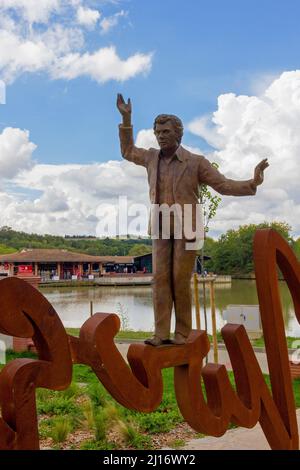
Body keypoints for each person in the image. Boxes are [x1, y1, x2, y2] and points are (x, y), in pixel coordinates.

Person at [117, 94, 269, 346]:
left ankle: (182, 333)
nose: (160, 136)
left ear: (178, 134)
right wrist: (126, 119)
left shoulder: (196, 162)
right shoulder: (151, 157)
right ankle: (161, 333)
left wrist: (252, 183)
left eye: (165, 131)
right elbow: (127, 151)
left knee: (180, 280)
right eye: (157, 132)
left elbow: (223, 185)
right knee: (160, 280)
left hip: (188, 227)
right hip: (161, 224)